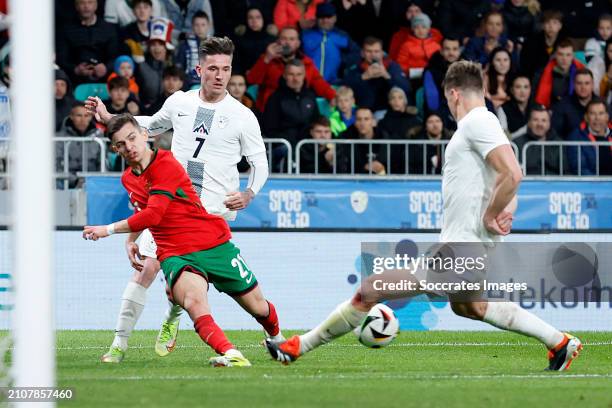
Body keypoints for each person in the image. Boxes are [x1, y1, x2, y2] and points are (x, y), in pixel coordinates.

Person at [265, 60, 582, 372]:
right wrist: (504, 212)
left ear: (454, 94)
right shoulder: (485, 126)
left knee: (371, 289)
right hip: (467, 246)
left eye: (447, 99)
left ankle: (298, 346)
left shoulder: (476, 122)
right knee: (471, 307)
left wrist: (493, 214)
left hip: (463, 248)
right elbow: (510, 173)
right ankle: (559, 341)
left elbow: (513, 173)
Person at [86, 36, 274, 363]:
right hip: (169, 206)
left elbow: (260, 163)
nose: (220, 75)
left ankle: (174, 312)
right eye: (213, 68)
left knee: (192, 287)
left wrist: (248, 193)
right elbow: (149, 126)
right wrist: (110, 117)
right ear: (199, 68)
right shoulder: (179, 103)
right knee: (145, 269)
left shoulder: (243, 116)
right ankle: (118, 345)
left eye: (226, 69)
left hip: (211, 212)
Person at [246, 26, 336, 112]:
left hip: (298, 107)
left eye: (291, 39)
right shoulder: (267, 59)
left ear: (298, 44)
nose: (287, 42)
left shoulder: (306, 62)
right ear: (278, 41)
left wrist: (332, 95)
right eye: (284, 39)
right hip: (272, 109)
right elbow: (252, 80)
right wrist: (267, 58)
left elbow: (318, 81)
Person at [56, 0, 120, 84]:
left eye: (90, 2)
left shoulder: (108, 29)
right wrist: (75, 70)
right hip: (74, 79)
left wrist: (106, 68)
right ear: (76, 6)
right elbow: (62, 59)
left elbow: (115, 56)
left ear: (96, 6)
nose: (86, 6)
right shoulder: (66, 29)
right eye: (82, 3)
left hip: (105, 78)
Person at [343, 36, 411, 113]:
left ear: (382, 53)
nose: (373, 55)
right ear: (362, 53)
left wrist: (387, 76)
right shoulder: (355, 68)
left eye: (376, 51)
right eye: (369, 51)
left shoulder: (391, 66)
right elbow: (345, 88)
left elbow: (406, 88)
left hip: (387, 111)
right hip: (363, 112)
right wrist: (363, 77)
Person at [301, 2, 360, 84]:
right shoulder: (305, 35)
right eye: (321, 17)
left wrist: (342, 61)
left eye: (328, 17)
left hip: (334, 84)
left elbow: (357, 53)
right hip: (308, 84)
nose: (325, 20)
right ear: (316, 18)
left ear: (335, 18)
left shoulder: (342, 36)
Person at [56, 101, 104, 188]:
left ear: (91, 117)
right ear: (71, 117)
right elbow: (56, 165)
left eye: (86, 116)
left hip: (93, 182)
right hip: (66, 182)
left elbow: (103, 163)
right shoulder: (59, 137)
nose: (83, 120)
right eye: (79, 115)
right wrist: (75, 181)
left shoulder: (99, 136)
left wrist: (94, 181)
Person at [514, 105, 566, 175]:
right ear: (529, 123)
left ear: (549, 124)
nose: (539, 124)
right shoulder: (517, 144)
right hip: (527, 184)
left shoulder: (559, 144)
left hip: (554, 184)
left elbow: (566, 171)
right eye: (535, 120)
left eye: (543, 120)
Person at [423, 36, 462, 128]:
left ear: (459, 51)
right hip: (442, 114)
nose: (451, 53)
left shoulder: (468, 69)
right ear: (441, 51)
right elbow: (432, 101)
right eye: (447, 49)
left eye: (455, 49)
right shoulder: (431, 71)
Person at [534, 39, 584, 109]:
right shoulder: (541, 73)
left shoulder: (581, 71)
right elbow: (536, 99)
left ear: (573, 56)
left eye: (568, 55)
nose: (564, 58)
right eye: (561, 54)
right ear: (555, 55)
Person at [389, 13, 442, 79]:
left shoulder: (436, 46)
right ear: (413, 29)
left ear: (428, 29)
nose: (420, 30)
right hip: (412, 76)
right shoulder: (406, 46)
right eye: (416, 27)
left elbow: (440, 63)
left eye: (424, 27)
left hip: (431, 76)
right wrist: (411, 72)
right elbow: (401, 64)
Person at [567, 99, 612, 176]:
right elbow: (580, 168)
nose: (597, 118)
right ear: (586, 117)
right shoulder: (576, 136)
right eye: (592, 113)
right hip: (591, 185)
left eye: (601, 113)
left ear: (607, 117)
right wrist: (599, 184)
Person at [337, 107, 387, 175]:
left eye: (366, 119)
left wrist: (382, 169)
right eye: (359, 119)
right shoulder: (345, 138)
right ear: (354, 122)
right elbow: (345, 168)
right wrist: (364, 168)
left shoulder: (384, 138)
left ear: (373, 122)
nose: (362, 123)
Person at [519, 9, 566, 80]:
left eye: (554, 23)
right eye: (547, 23)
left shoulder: (565, 43)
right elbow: (527, 68)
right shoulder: (531, 43)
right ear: (543, 25)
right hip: (536, 79)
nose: (551, 26)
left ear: (560, 26)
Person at [551, 69, 596, 140]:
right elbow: (555, 134)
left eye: (587, 83)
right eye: (579, 83)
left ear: (593, 85)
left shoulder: (602, 105)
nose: (583, 87)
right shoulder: (561, 106)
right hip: (569, 149)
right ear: (574, 85)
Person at [232, 7, 277, 75]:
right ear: (246, 20)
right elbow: (236, 64)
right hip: (245, 76)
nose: (254, 21)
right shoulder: (239, 41)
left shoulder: (272, 40)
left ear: (263, 19)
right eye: (250, 18)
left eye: (258, 17)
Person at [176, 11, 212, 88]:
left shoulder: (215, 45)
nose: (200, 28)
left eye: (203, 25)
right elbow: (180, 67)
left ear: (208, 26)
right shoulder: (184, 45)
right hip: (188, 84)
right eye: (196, 25)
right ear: (192, 26)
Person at [496, 75, 533, 139]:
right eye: (518, 87)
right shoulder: (503, 109)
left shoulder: (538, 107)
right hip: (513, 147)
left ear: (530, 89)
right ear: (512, 90)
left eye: (526, 87)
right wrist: (525, 129)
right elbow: (505, 138)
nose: (522, 91)